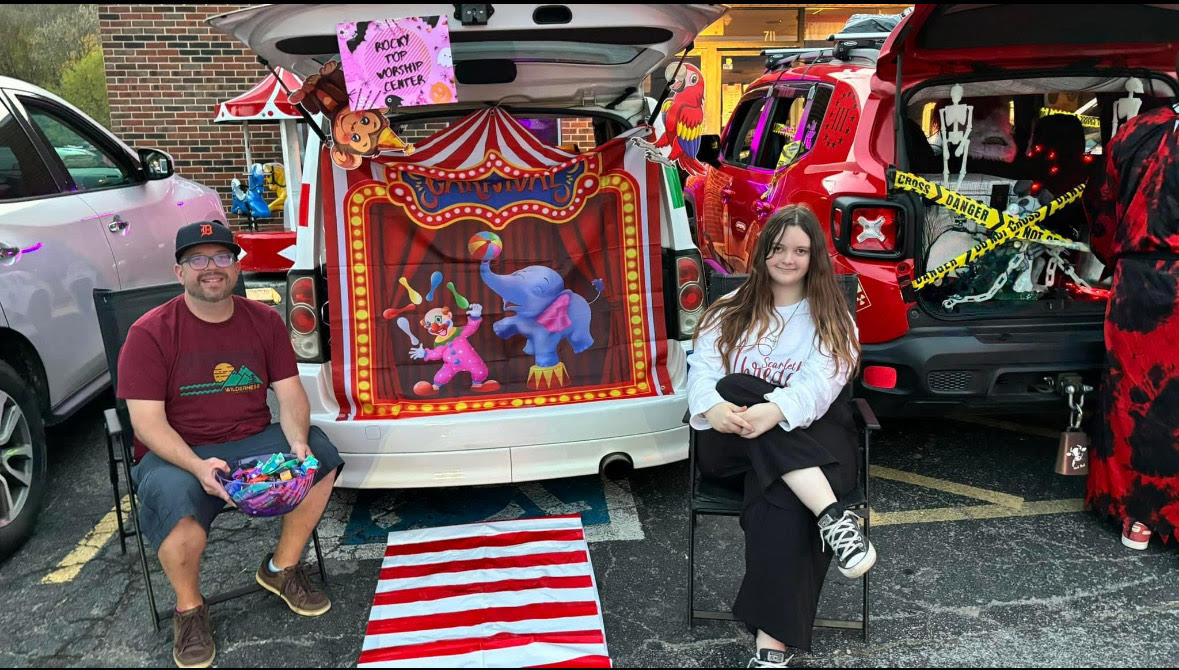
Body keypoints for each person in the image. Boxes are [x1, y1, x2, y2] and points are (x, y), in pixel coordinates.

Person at [118, 221, 345, 668]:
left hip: (253, 440)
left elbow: (290, 392)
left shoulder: (263, 321)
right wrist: (198, 466)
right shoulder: (150, 333)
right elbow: (146, 424)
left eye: (222, 257)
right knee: (174, 500)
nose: (211, 268)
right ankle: (190, 609)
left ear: (237, 268)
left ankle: (281, 569)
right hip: (180, 453)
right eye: (198, 260)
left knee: (320, 457)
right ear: (179, 271)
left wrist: (298, 442)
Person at [687, 205, 874, 668]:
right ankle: (833, 517)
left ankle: (771, 648)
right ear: (761, 251)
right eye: (777, 248)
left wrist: (775, 411)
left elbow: (820, 387)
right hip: (731, 438)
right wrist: (714, 407)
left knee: (778, 490)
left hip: (810, 433)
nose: (787, 258)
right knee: (733, 386)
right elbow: (701, 375)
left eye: (800, 250)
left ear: (815, 258)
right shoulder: (726, 313)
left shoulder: (832, 319)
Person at [1081, 65, 1179, 552]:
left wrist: (1112, 257)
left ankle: (1137, 518)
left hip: (1140, 281)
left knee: (1136, 397)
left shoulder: (1136, 133)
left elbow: (1101, 209)